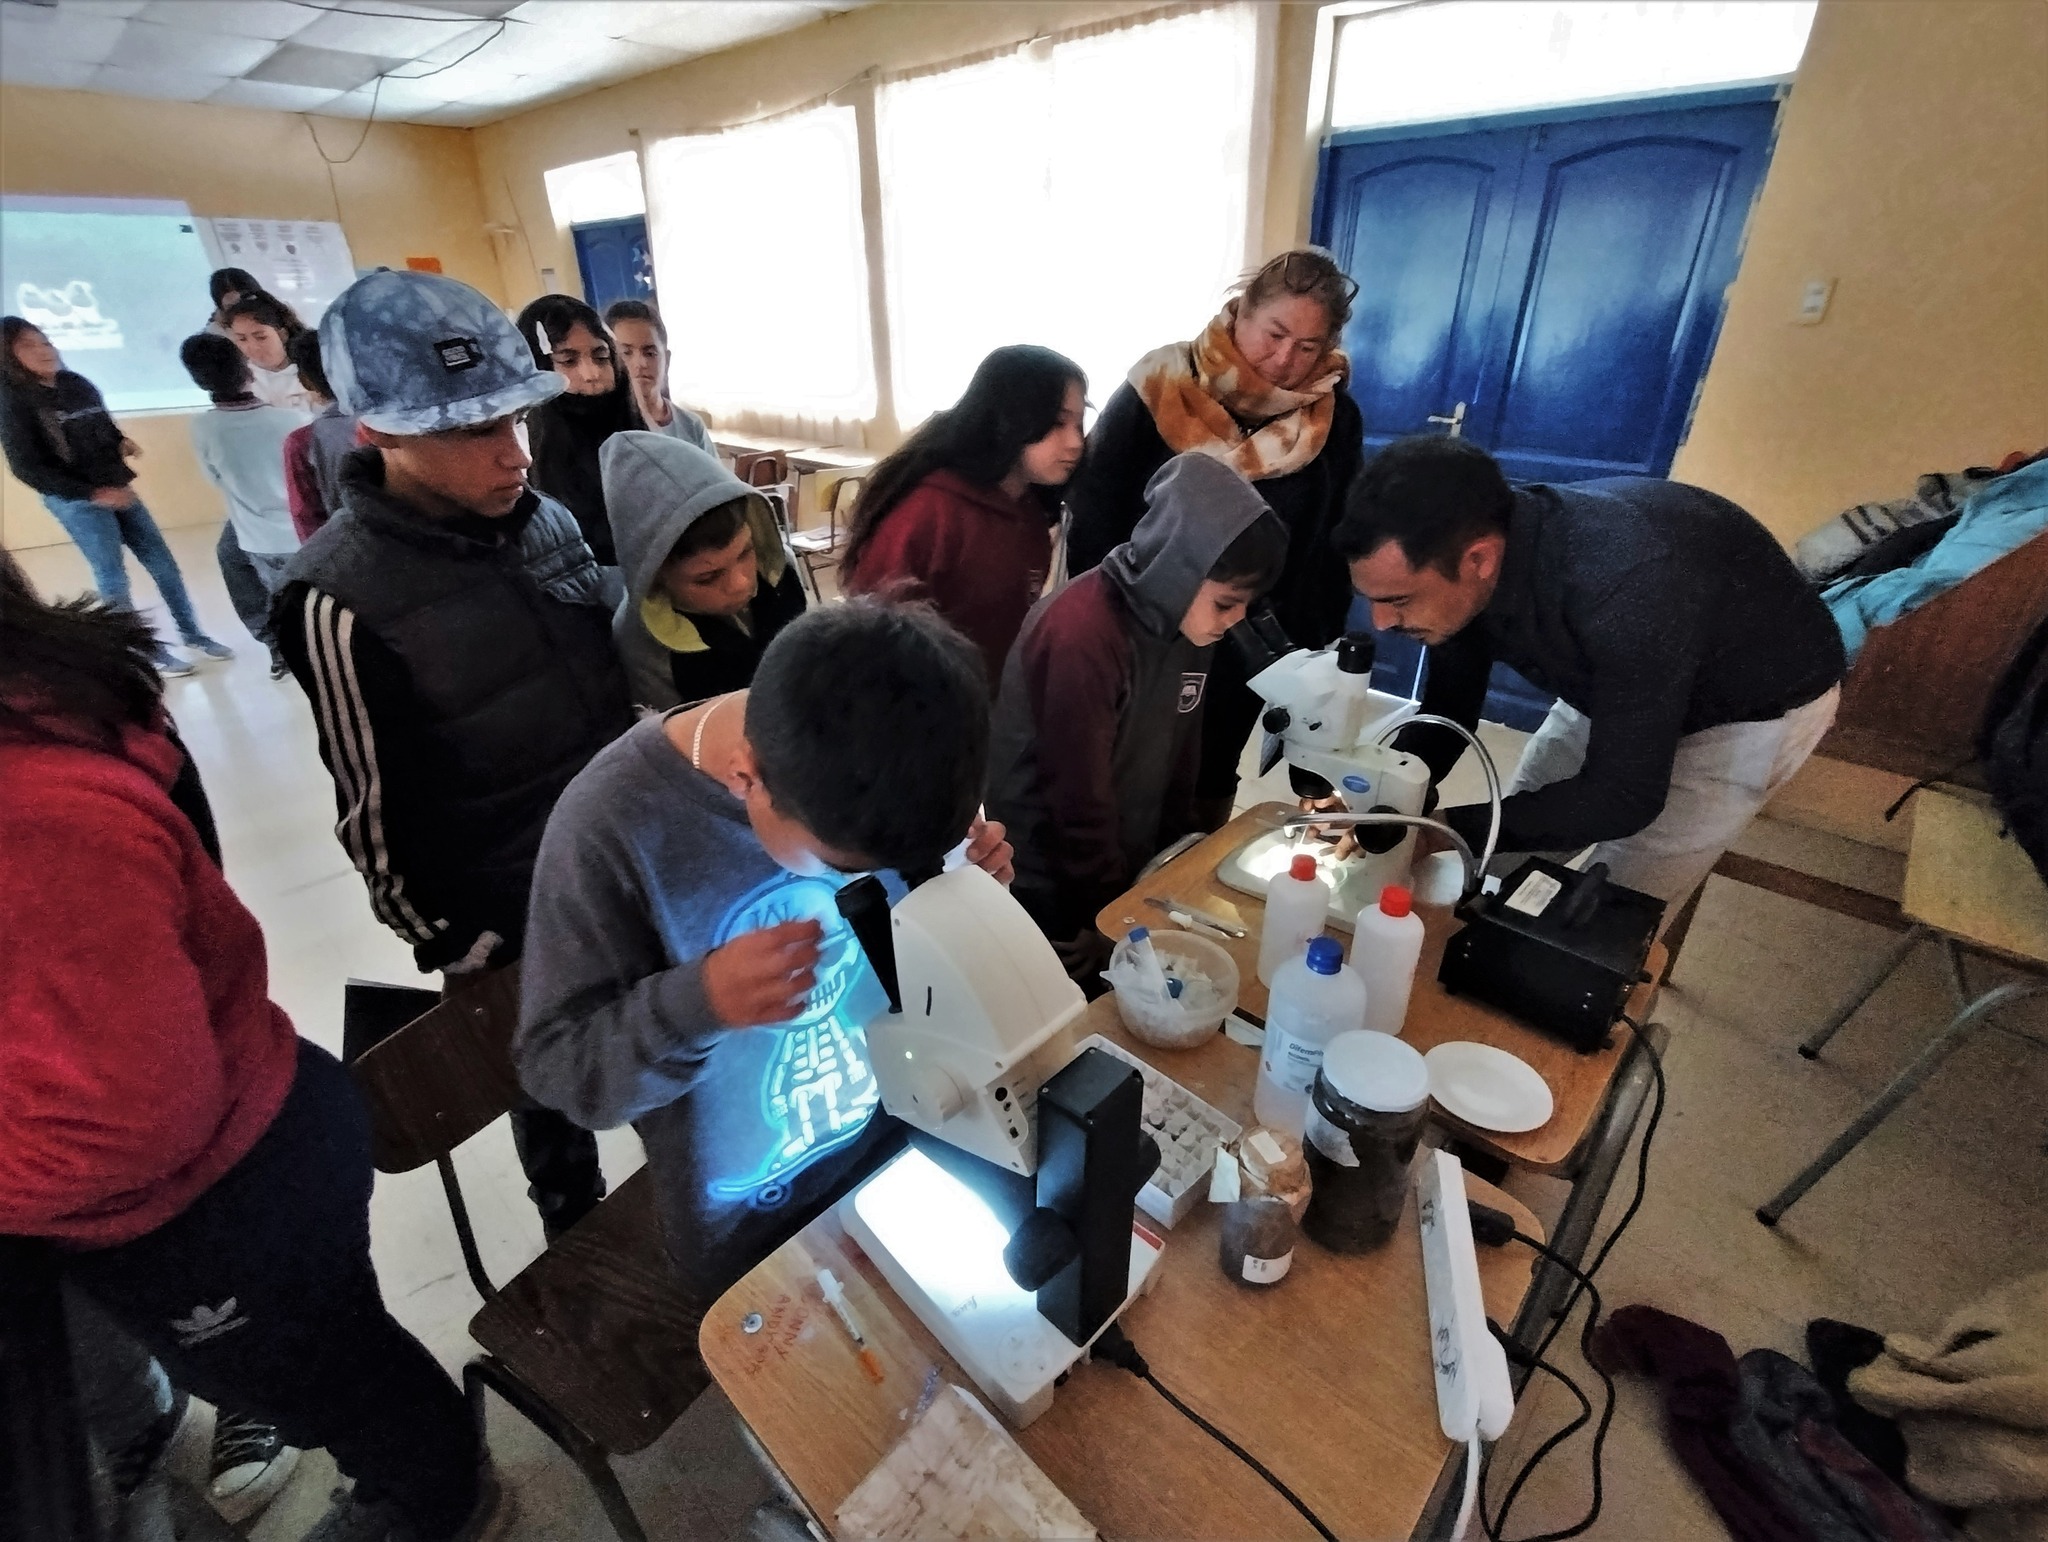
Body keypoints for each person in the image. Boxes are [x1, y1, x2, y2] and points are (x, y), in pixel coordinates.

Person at [0, 556, 510, 1542]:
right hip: (241, 1140)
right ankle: (420, 1467)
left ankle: (437, 1495)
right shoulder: (51, 718)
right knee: (332, 1351)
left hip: (211, 1186)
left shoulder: (33, 814)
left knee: (326, 1374)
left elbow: (137, 1113)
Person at [515, 599, 1011, 1352]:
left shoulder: (889, 753)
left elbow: (912, 947)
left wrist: (964, 896)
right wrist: (697, 1003)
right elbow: (558, 1068)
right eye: (844, 868)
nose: (869, 884)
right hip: (747, 1225)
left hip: (900, 1147)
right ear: (748, 779)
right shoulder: (610, 826)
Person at [273, 269, 632, 1242]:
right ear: (381, 432)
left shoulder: (545, 517)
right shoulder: (336, 598)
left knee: (670, 1055)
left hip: (617, 865)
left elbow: (606, 688)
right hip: (504, 914)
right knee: (549, 1104)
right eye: (472, 431)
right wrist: (452, 941)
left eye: (514, 419)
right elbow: (371, 814)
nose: (511, 452)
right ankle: (577, 1237)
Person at [1335, 436, 1847, 913]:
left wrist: (1443, 829)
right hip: (1619, 676)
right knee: (1500, 874)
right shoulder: (1468, 556)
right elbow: (1449, 709)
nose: (1381, 624)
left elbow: (1625, 797)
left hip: (1747, 706)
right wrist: (1392, 799)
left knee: (1606, 916)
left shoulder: (1624, 584)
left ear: (1479, 560)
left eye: (1398, 601)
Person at [1064, 248, 1365, 829]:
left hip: (1249, 637)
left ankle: (1190, 866)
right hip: (1143, 628)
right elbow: (1095, 510)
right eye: (1274, 334)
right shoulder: (1162, 384)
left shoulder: (1334, 417)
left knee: (1210, 767)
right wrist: (1104, 620)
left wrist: (1313, 650)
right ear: (1240, 314)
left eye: (1308, 348)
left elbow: (1331, 542)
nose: (1284, 360)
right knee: (1126, 763)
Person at [989, 453, 1287, 976]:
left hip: (1124, 868)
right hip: (1052, 880)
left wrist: (1169, 878)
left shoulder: (1187, 622)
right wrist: (1107, 917)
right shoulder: (1082, 633)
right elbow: (1076, 799)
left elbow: (1181, 755)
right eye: (1226, 603)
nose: (1236, 620)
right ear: (1177, 569)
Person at [840, 345, 1087, 690]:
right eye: (1058, 423)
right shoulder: (928, 511)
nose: (1076, 442)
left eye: (1080, 421)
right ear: (1009, 419)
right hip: (928, 713)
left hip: (989, 705)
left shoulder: (1028, 510)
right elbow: (872, 641)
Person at [0, 317, 229, 676]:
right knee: (112, 575)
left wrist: (120, 441)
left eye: (45, 341)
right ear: (9, 356)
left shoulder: (76, 384)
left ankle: (193, 632)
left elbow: (101, 424)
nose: (44, 350)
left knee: (163, 564)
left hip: (119, 489)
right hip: (78, 501)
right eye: (29, 345)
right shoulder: (14, 402)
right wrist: (91, 493)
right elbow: (27, 468)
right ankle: (132, 650)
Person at [604, 431, 808, 711]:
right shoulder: (640, 641)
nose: (740, 583)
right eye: (707, 577)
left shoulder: (778, 565)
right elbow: (675, 736)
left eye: (745, 552)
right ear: (655, 578)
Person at [179, 333, 307, 680]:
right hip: (300, 530)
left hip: (256, 538)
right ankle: (309, 654)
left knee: (274, 596)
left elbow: (214, 478)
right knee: (308, 597)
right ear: (247, 371)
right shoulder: (291, 421)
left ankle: (283, 652)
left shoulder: (204, 427)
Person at [516, 294, 644, 567]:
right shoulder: (524, 454)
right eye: (568, 361)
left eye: (600, 356)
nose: (591, 373)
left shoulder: (636, 436)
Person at [602, 299, 714, 454]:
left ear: (666, 360)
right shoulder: (603, 427)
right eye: (626, 353)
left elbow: (716, 478)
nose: (640, 363)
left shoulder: (691, 425)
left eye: (650, 353)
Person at [282, 329, 360, 541]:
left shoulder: (302, 441)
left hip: (345, 549)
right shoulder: (393, 422)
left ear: (305, 380)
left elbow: (306, 515)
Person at [222, 293, 312, 413]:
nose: (253, 347)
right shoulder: (239, 381)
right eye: (242, 339)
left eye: (261, 337)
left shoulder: (312, 369)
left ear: (282, 334)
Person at [203, 266, 261, 336]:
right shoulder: (216, 339)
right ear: (222, 308)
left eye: (248, 300)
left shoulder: (273, 316)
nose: (243, 310)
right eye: (232, 307)